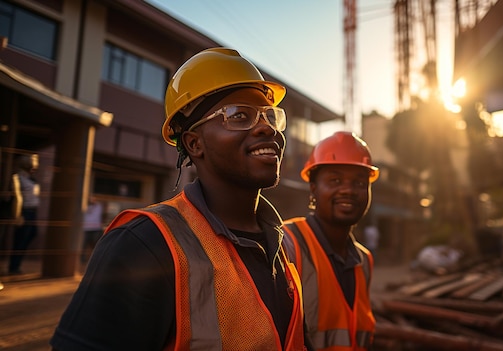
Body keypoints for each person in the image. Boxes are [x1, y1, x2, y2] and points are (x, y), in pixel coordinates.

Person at [50, 48, 309, 350]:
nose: (267, 127)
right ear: (194, 143)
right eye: (240, 116)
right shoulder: (143, 243)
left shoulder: (282, 244)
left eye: (270, 116)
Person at [283, 131, 378, 351]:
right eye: (335, 180)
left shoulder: (364, 261)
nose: (348, 190)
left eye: (360, 183)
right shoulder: (287, 244)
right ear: (313, 188)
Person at [8, 153, 40, 275]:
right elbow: (17, 197)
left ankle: (16, 264)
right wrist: (18, 215)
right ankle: (14, 266)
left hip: (33, 212)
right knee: (20, 240)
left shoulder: (32, 178)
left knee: (31, 235)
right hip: (24, 211)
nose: (35, 162)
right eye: (33, 159)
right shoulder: (18, 177)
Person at [81, 197, 104, 263]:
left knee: (95, 245)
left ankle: (95, 259)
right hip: (87, 228)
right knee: (85, 246)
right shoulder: (86, 207)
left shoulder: (98, 207)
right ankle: (84, 260)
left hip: (96, 229)